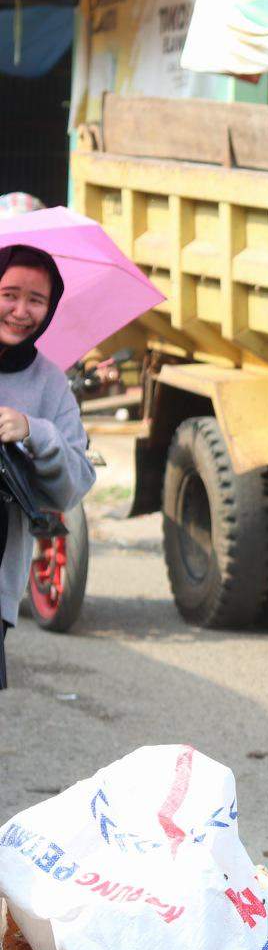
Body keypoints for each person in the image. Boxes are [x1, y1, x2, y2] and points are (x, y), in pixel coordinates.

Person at [0, 245, 94, 689]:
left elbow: (74, 484)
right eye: (9, 294)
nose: (21, 311)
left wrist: (33, 431)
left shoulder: (50, 384)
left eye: (35, 300)